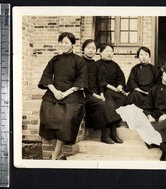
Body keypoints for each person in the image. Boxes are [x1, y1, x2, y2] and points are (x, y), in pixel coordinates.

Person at [38, 32, 88, 160]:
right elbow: (46, 77)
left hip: (72, 95)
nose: (63, 45)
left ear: (72, 44)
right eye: (61, 42)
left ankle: (55, 155)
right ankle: (60, 154)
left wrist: (65, 93)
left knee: (65, 120)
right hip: (54, 93)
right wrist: (54, 91)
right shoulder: (55, 60)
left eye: (66, 42)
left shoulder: (79, 61)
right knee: (48, 117)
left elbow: (80, 81)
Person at [81, 39, 123, 144]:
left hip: (97, 94)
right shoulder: (80, 62)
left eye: (93, 48)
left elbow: (100, 81)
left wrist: (101, 94)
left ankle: (113, 133)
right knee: (103, 105)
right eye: (88, 48)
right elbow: (83, 83)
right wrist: (95, 95)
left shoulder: (94, 64)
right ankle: (105, 135)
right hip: (86, 94)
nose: (91, 50)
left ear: (96, 50)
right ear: (83, 49)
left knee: (109, 103)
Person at [96, 44, 127, 110]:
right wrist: (114, 89)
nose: (109, 53)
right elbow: (100, 80)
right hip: (103, 90)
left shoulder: (115, 65)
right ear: (100, 52)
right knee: (109, 99)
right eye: (107, 51)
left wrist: (120, 86)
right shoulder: (97, 64)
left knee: (125, 99)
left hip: (115, 89)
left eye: (111, 51)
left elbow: (121, 77)